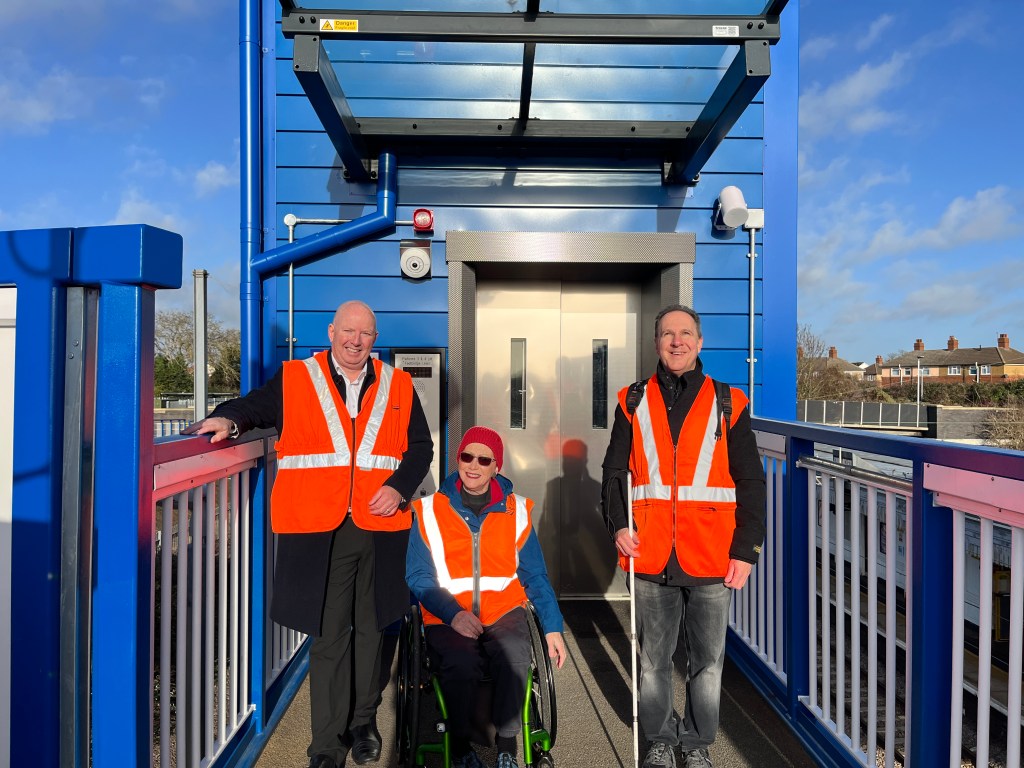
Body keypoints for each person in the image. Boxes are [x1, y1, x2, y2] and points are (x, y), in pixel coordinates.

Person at [183, 300, 433, 768]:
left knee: (375, 629)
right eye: (349, 332)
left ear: (374, 340)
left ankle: (363, 722)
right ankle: (325, 744)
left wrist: (398, 488)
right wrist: (228, 418)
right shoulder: (299, 377)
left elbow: (421, 446)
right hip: (320, 527)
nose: (356, 341)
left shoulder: (398, 383)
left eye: (366, 334)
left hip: (378, 526)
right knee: (329, 634)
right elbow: (256, 406)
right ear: (332, 331)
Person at [601, 305, 765, 768]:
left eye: (686, 333)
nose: (677, 341)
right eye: (668, 334)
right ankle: (657, 739)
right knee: (653, 660)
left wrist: (747, 550)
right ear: (657, 343)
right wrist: (617, 526)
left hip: (712, 553)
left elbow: (751, 480)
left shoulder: (729, 401)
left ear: (700, 342)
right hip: (650, 550)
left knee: (708, 661)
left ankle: (695, 745)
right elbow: (614, 472)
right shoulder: (632, 400)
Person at [406, 426, 567, 768]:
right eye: (467, 456)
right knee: (461, 665)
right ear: (458, 460)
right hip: (448, 613)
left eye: (484, 459)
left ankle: (507, 748)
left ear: (497, 467)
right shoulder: (429, 511)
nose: (473, 465)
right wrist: (453, 614)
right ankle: (462, 748)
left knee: (513, 658)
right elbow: (418, 577)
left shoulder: (517, 512)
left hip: (504, 609)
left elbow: (535, 575)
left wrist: (552, 626)